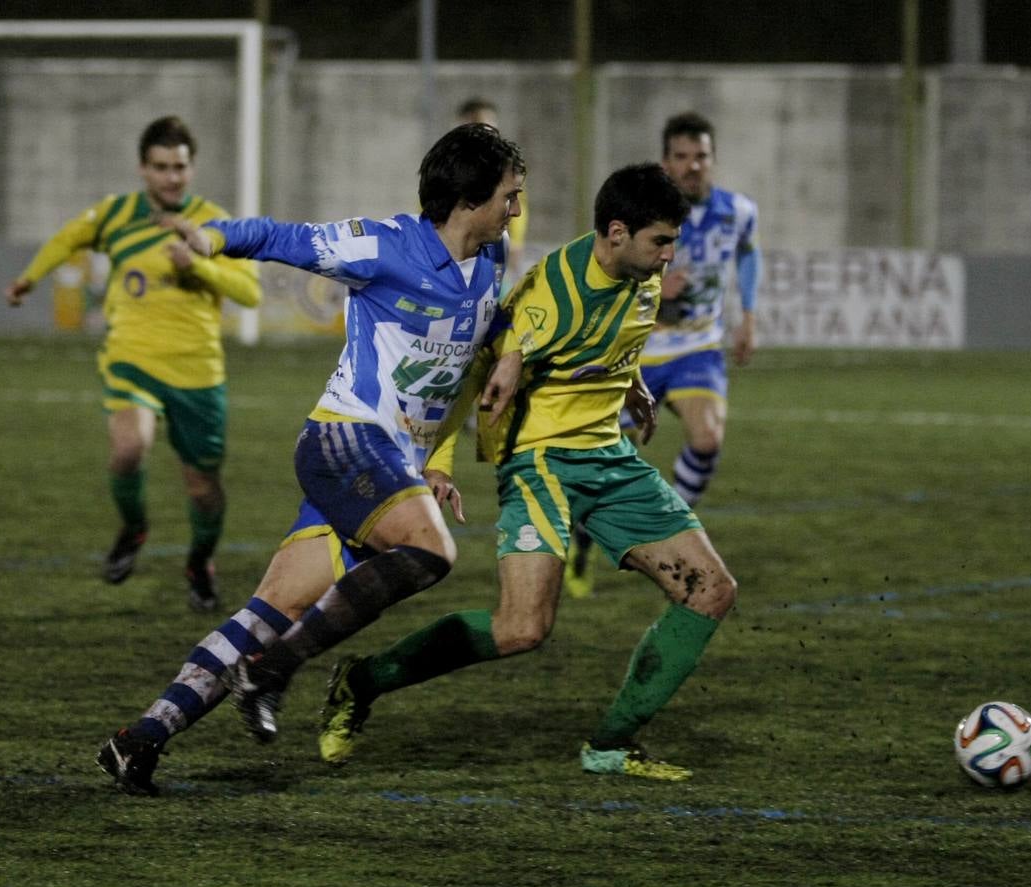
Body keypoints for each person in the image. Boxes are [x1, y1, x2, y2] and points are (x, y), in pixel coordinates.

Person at [95, 122, 526, 796]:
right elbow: (280, 238)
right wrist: (210, 238)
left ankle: (140, 738)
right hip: (344, 439)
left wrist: (441, 455)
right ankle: (274, 671)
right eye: (509, 196)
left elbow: (462, 370)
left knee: (268, 610)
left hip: (386, 469)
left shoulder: (490, 271)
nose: (517, 210)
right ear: (471, 200)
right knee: (433, 551)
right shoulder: (385, 246)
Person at [316, 163, 738, 782]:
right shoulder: (551, 293)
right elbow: (491, 361)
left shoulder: (642, 276)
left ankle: (611, 746)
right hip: (540, 461)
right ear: (616, 233)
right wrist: (441, 458)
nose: (671, 256)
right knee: (522, 628)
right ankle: (362, 679)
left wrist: (632, 384)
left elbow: (610, 334)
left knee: (712, 589)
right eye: (661, 242)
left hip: (609, 459)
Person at [5, 115, 262, 611]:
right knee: (128, 448)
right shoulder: (115, 214)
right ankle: (134, 528)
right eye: (161, 167)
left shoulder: (213, 222)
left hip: (197, 369)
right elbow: (67, 239)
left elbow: (249, 293)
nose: (172, 177)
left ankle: (199, 561)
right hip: (131, 357)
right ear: (143, 168)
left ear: (191, 169)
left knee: (203, 486)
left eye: (180, 167)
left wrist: (200, 265)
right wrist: (30, 278)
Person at [564, 111, 760, 600]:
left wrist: (749, 314)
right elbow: (604, 272)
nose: (693, 166)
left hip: (698, 347)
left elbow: (748, 251)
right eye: (682, 157)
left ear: (713, 160)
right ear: (665, 162)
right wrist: (653, 281)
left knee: (708, 437)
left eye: (702, 156)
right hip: (639, 352)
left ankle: (665, 525)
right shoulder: (642, 218)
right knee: (606, 462)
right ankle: (583, 537)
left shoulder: (738, 211)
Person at [455, 97, 528, 292]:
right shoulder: (447, 169)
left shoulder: (507, 168)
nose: (491, 131)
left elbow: (517, 215)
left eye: (492, 125)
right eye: (483, 125)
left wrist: (515, 251)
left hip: (491, 261)